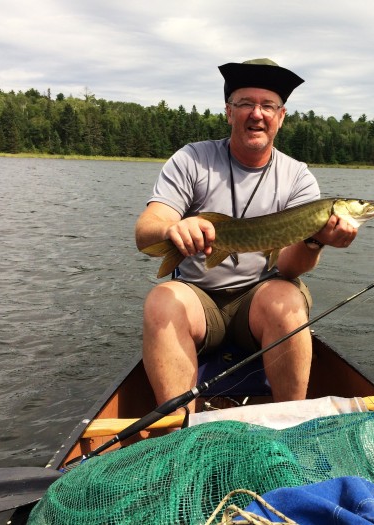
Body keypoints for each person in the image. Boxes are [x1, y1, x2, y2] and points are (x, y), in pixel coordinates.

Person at [135, 58, 359, 410]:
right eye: (245, 104)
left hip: (258, 301)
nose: (257, 114)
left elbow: (287, 267)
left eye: (268, 105)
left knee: (287, 299)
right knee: (161, 300)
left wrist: (315, 239)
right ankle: (178, 438)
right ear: (228, 112)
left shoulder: (298, 177)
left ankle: (290, 427)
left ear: (281, 116)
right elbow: (146, 232)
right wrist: (173, 227)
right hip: (198, 298)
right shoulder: (192, 160)